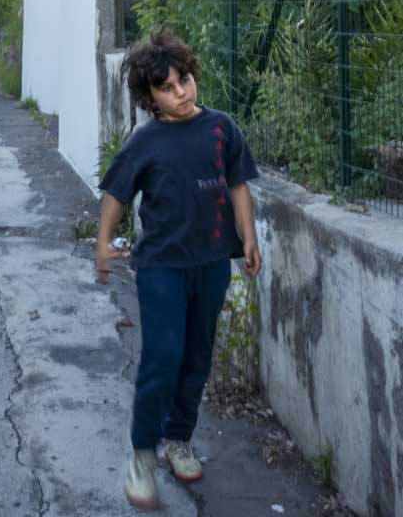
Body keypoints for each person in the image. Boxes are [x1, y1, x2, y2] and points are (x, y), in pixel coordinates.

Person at [94, 28, 262, 511]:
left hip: (210, 264)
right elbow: (116, 195)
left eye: (184, 79)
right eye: (167, 87)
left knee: (197, 356)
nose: (181, 92)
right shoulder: (145, 142)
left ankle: (178, 439)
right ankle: (143, 454)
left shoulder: (221, 128)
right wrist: (103, 243)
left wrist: (248, 237)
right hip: (162, 267)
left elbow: (238, 186)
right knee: (162, 357)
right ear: (150, 98)